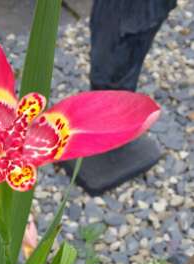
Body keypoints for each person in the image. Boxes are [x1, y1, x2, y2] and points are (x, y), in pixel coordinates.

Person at [62, 0, 177, 195]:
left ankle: (114, 133)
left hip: (136, 16)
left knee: (115, 71)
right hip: (117, 11)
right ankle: (106, 124)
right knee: (104, 63)